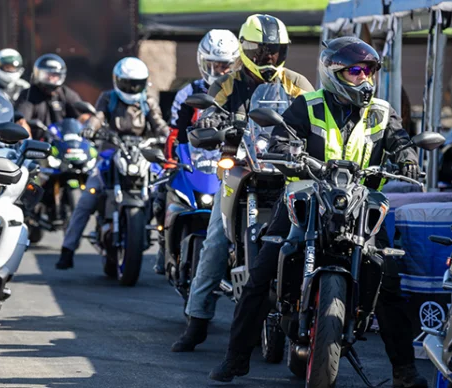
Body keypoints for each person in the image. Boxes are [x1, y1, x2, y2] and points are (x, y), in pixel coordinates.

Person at [208, 36, 427, 388]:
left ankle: (404, 370)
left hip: (362, 201)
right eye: (355, 71)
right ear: (333, 72)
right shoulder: (307, 105)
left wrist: (409, 158)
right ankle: (235, 358)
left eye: (369, 71)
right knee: (262, 274)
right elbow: (281, 135)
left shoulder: (382, 113)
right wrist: (283, 148)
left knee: (388, 280)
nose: (364, 78)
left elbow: (401, 141)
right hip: (306, 195)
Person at [171, 14, 314, 353]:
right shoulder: (227, 83)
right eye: (262, 51)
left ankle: (308, 310)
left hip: (285, 172)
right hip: (239, 168)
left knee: (309, 233)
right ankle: (197, 320)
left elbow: (315, 112)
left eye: (275, 52)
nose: (269, 59)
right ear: (247, 49)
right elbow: (208, 112)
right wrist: (214, 123)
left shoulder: (296, 83)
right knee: (216, 240)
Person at [56, 57, 169, 269]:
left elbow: (159, 122)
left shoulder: (148, 101)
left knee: (164, 193)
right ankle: (67, 250)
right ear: (118, 81)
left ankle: (166, 255)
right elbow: (97, 117)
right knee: (87, 197)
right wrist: (91, 127)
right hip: (111, 151)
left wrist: (168, 135)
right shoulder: (108, 98)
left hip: (143, 153)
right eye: (128, 83)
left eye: (136, 83)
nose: (132, 88)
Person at [152, 29, 240, 274]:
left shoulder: (238, 91)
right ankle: (163, 247)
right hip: (196, 160)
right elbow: (176, 133)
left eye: (224, 66)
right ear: (203, 63)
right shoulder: (188, 92)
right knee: (160, 192)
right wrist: (171, 160)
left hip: (229, 161)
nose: (219, 72)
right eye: (213, 66)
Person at [16, 53, 89, 141]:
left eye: (55, 75)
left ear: (61, 76)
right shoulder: (28, 94)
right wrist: (27, 141)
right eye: (47, 74)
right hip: (38, 147)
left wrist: (87, 128)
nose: (51, 78)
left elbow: (83, 117)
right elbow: (20, 121)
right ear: (38, 73)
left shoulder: (66, 93)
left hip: (63, 145)